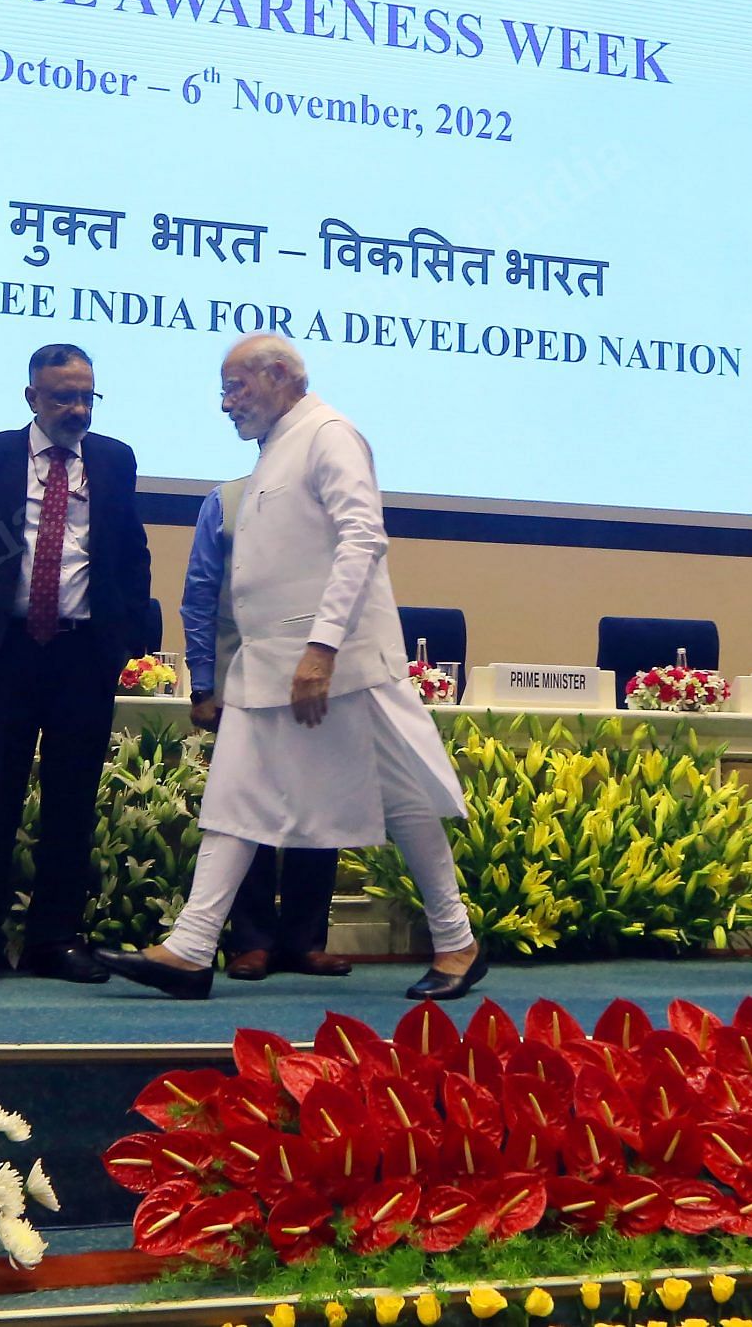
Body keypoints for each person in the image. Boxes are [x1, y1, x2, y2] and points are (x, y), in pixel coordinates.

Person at [99, 335, 481, 1002]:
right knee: (233, 799)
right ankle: (190, 947)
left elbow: (363, 536)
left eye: (237, 387)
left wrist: (322, 648)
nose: (225, 403)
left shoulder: (329, 432)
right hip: (267, 665)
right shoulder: (279, 444)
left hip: (340, 666)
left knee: (405, 800)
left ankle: (456, 941)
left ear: (279, 375)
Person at [0, 343, 153, 990]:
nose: (77, 408)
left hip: (83, 652)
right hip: (6, 650)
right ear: (32, 397)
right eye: (63, 396)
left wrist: (126, 638)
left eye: (87, 395)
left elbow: (130, 551)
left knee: (71, 803)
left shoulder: (113, 459)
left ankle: (53, 939)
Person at [182, 476, 349, 980]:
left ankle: (304, 941)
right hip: (243, 676)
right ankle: (251, 941)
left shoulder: (334, 501)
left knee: (315, 806)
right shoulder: (225, 502)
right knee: (245, 806)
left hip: (319, 680)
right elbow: (201, 597)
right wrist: (202, 683)